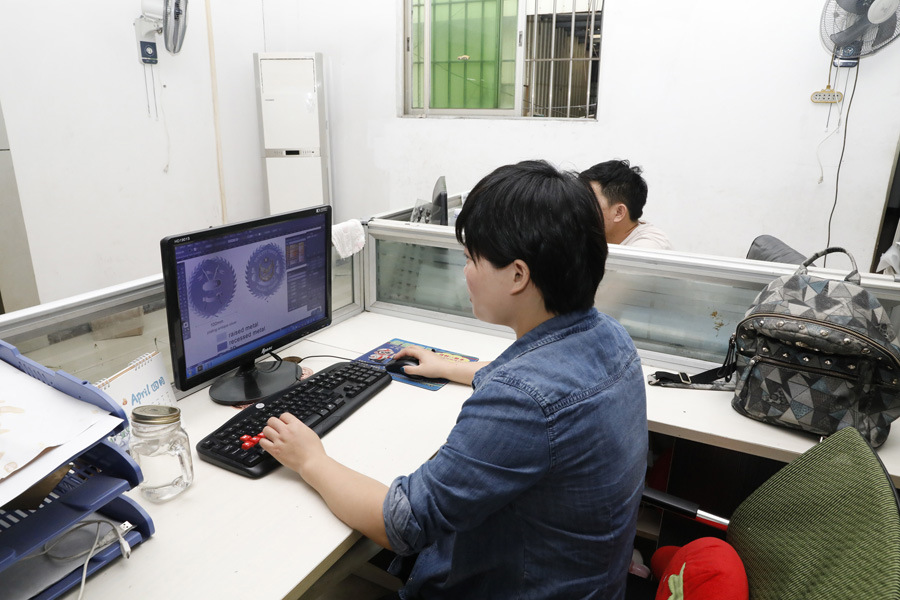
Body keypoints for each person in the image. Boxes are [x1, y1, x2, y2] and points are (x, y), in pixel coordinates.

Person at [259, 160, 648, 599]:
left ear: (518, 275)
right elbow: (548, 389)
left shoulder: (521, 401)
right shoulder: (610, 337)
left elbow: (403, 524)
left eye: (470, 258)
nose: (465, 272)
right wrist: (448, 366)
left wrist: (311, 459)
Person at [580, 159, 673, 250]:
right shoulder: (592, 235)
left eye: (588, 202)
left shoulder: (650, 246)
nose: (579, 208)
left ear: (619, 212)